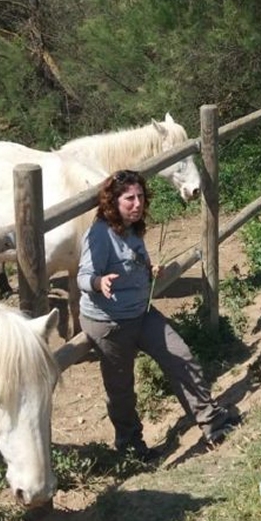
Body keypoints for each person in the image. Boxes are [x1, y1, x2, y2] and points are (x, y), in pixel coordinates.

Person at [77, 170, 237, 460]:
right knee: (121, 389)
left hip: (140, 312)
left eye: (140, 197)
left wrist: (148, 270)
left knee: (181, 356)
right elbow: (83, 276)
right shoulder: (100, 234)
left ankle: (212, 422)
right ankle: (131, 448)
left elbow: (131, 260)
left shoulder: (133, 227)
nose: (137, 204)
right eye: (129, 199)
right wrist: (99, 283)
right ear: (113, 202)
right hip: (109, 323)